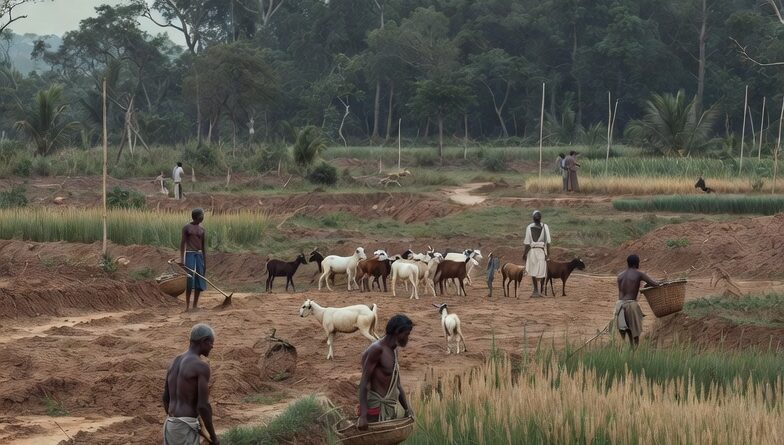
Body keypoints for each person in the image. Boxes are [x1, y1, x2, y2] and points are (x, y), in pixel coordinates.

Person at [162, 323, 219, 445]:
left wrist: (176, 419)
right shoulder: (201, 366)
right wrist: (214, 437)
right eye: (211, 343)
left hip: (170, 426)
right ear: (204, 341)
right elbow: (203, 406)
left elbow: (165, 398)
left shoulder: (174, 361)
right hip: (184, 429)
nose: (212, 347)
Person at [357, 314, 414, 430]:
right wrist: (363, 416)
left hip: (389, 409)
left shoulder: (394, 350)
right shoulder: (376, 350)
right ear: (398, 332)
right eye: (407, 334)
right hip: (375, 410)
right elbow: (364, 383)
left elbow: (397, 385)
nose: (408, 338)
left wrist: (407, 409)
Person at [615, 254, 660, 348]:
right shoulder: (639, 274)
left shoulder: (620, 275)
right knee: (635, 333)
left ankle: (625, 352)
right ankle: (633, 352)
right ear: (636, 263)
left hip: (619, 305)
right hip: (631, 305)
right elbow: (655, 284)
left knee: (626, 330)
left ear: (628, 263)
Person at [180, 208, 206, 312]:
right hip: (190, 254)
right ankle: (187, 306)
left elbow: (203, 247)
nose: (203, 217)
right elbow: (182, 243)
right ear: (196, 216)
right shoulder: (186, 228)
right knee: (189, 279)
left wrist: (205, 262)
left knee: (199, 280)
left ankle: (195, 305)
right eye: (202, 215)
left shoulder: (202, 230)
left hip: (199, 255)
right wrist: (182, 259)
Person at [523, 210, 551, 298]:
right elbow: (548, 242)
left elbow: (527, 244)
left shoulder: (529, 227)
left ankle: (536, 290)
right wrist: (548, 255)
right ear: (541, 218)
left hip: (532, 252)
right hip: (541, 251)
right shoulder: (545, 227)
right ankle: (539, 290)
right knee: (542, 271)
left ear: (533, 218)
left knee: (534, 271)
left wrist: (524, 254)